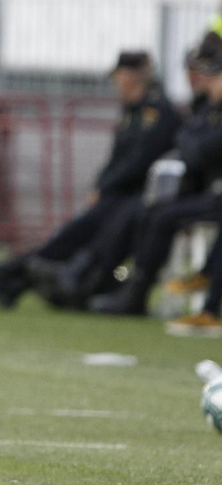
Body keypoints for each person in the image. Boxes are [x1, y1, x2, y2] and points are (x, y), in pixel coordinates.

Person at [0, 50, 181, 309]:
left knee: (99, 235)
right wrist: (101, 185)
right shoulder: (132, 111)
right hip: (118, 194)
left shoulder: (157, 112)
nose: (116, 83)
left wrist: (105, 186)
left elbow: (140, 161)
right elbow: (117, 158)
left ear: (132, 76)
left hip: (136, 196)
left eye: (119, 76)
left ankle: (14, 278)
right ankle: (11, 277)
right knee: (69, 235)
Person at [89, 41, 222, 317]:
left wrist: (196, 147)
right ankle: (131, 287)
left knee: (155, 214)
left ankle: (205, 296)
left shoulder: (178, 107)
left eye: (213, 76)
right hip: (208, 192)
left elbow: (203, 146)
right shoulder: (206, 107)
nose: (204, 81)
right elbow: (187, 140)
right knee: (151, 211)